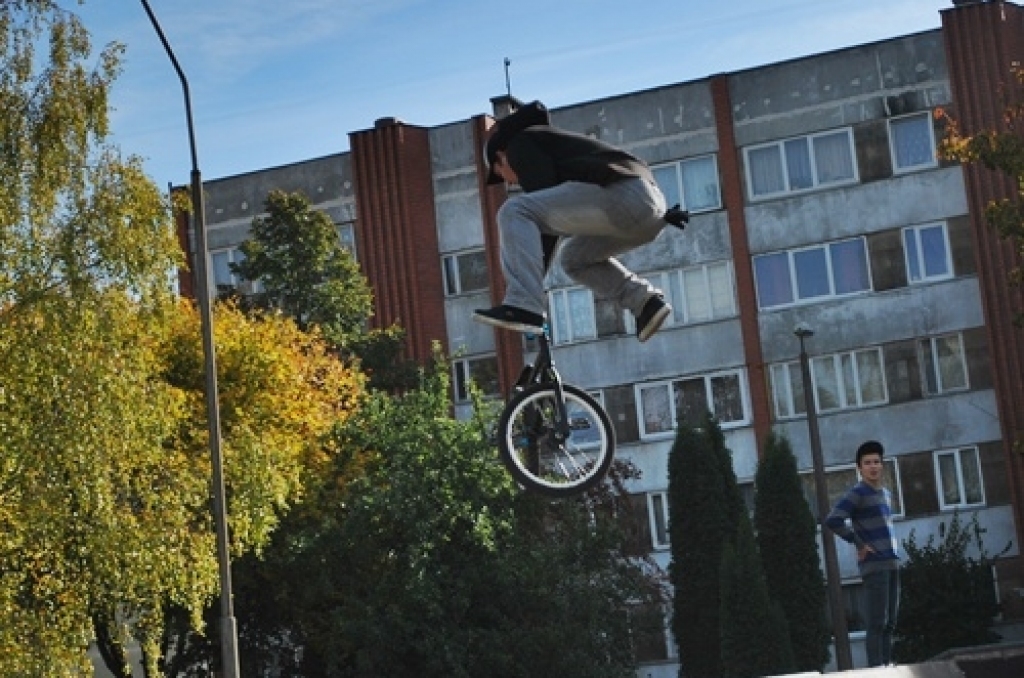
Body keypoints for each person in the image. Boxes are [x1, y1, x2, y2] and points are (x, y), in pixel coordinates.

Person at [473, 100, 687, 342]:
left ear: (501, 155)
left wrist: (524, 291)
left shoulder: (519, 145)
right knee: (574, 260)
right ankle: (645, 303)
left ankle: (524, 305)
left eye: (502, 175)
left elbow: (545, 225)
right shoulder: (552, 147)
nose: (510, 183)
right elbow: (551, 224)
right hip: (649, 210)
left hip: (624, 196)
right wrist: (530, 277)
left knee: (513, 211)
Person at [825, 440, 900, 668]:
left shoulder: (885, 493)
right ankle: (877, 670)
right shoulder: (858, 493)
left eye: (877, 462)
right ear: (859, 467)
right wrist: (858, 544)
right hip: (874, 565)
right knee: (877, 622)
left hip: (892, 562)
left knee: (890, 623)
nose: (873, 466)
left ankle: (887, 665)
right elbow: (833, 520)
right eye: (867, 463)